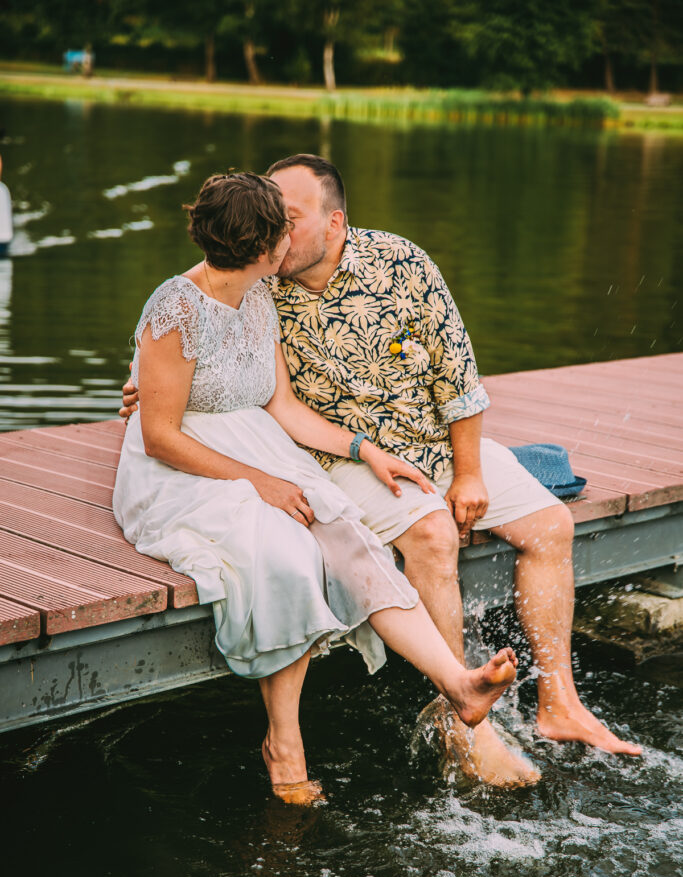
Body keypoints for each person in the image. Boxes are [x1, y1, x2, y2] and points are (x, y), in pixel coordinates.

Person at [121, 156, 642, 787]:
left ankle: (535, 698)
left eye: (293, 219)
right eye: (276, 225)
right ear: (261, 245)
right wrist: (147, 391)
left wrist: (431, 462)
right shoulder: (241, 284)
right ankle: (430, 724)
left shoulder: (370, 269)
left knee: (536, 526)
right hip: (261, 461)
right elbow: (169, 402)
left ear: (332, 222)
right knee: (373, 543)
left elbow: (445, 380)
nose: (284, 236)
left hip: (371, 443)